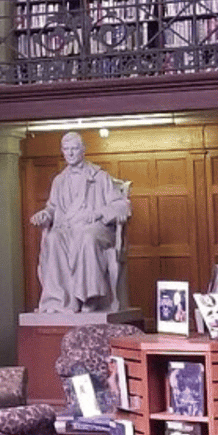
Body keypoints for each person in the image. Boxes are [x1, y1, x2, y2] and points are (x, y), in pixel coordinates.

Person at [30, 131, 131, 313]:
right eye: (66, 149)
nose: (70, 153)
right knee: (53, 239)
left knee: (87, 237)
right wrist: (45, 215)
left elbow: (121, 205)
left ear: (83, 150)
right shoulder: (59, 181)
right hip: (67, 228)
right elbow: (52, 207)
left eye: (74, 149)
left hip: (96, 229)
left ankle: (90, 297)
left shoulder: (99, 177)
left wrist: (99, 212)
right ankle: (61, 299)